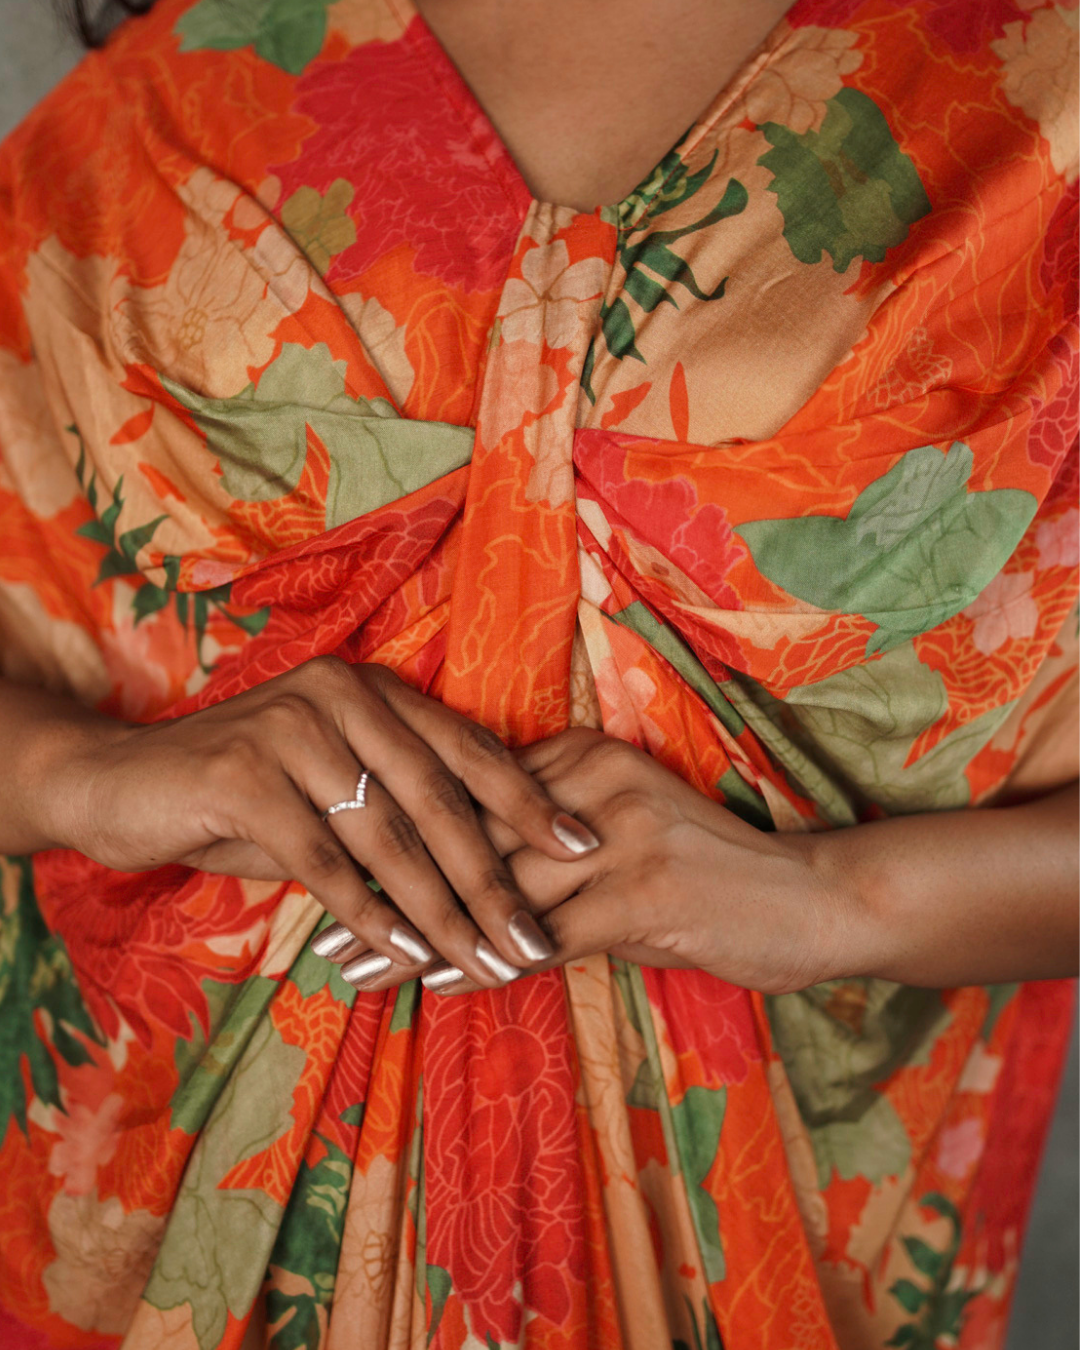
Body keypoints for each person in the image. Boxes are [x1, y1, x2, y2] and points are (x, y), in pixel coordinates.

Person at [0, 0, 1075, 1345]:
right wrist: (84, 774)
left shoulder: (1038, 93)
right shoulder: (179, 82)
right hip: (156, 1225)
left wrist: (835, 898)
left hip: (757, 1236)